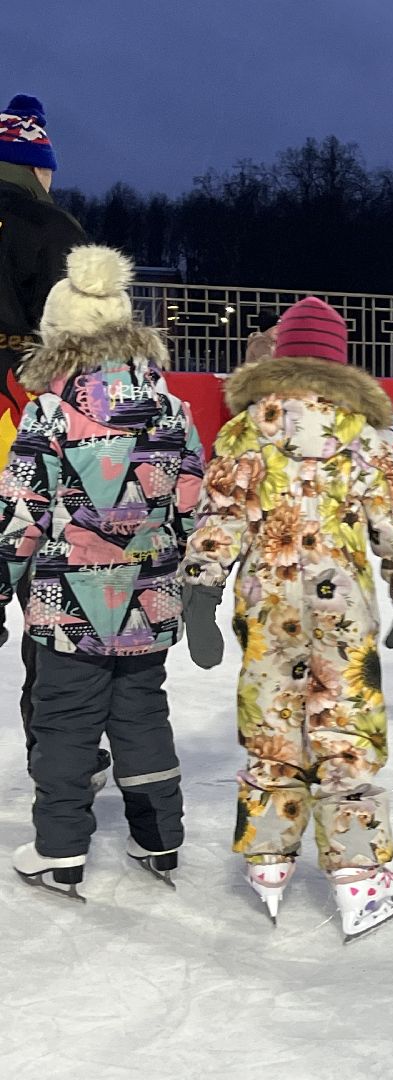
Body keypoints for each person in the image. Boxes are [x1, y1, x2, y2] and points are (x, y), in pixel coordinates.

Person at [181, 297, 393, 939]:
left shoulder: (244, 431)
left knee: (271, 722)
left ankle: (268, 859)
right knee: (343, 726)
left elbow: (220, 517)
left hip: (267, 606)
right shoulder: (362, 436)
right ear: (340, 362)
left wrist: (202, 597)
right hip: (341, 607)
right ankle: (358, 877)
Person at [1, 246, 203, 899]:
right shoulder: (169, 408)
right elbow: (194, 501)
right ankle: (159, 838)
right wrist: (197, 578)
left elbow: (23, 509)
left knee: (65, 720)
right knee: (143, 713)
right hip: (150, 598)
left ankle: (60, 850)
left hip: (70, 601)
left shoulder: (49, 410)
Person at [0, 93, 88, 769]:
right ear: (36, 165)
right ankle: (56, 742)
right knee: (46, 576)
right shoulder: (53, 226)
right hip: (22, 406)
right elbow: (79, 335)